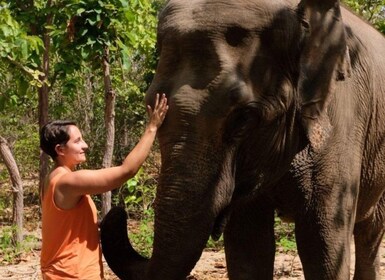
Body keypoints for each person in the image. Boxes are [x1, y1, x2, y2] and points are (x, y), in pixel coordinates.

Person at [39, 93, 168, 279]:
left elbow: (65, 224)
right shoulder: (68, 182)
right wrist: (152, 127)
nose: (85, 145)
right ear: (60, 150)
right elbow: (127, 171)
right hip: (73, 274)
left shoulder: (52, 178)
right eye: (77, 141)